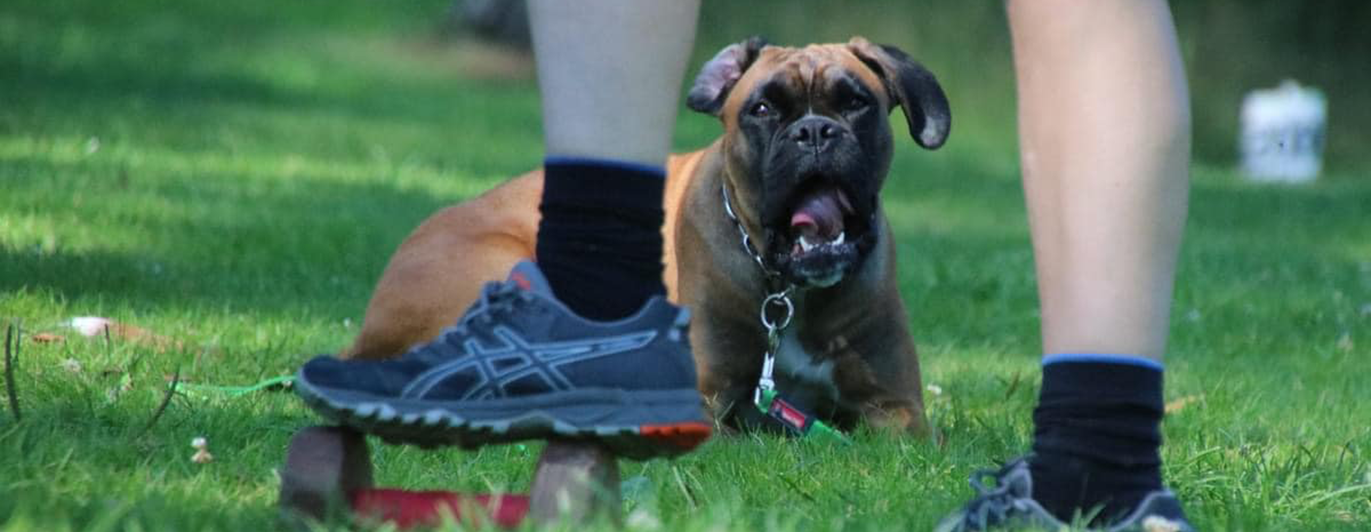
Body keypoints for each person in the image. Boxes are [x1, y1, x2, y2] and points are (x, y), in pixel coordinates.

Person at [295, 0, 1193, 529]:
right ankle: (1103, 466)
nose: (812, 136)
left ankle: (591, 323)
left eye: (849, 112)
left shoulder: (866, 265)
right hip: (488, 256)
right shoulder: (704, 224)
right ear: (722, 113)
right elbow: (713, 404)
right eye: (770, 115)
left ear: (898, 117)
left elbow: (898, 414)